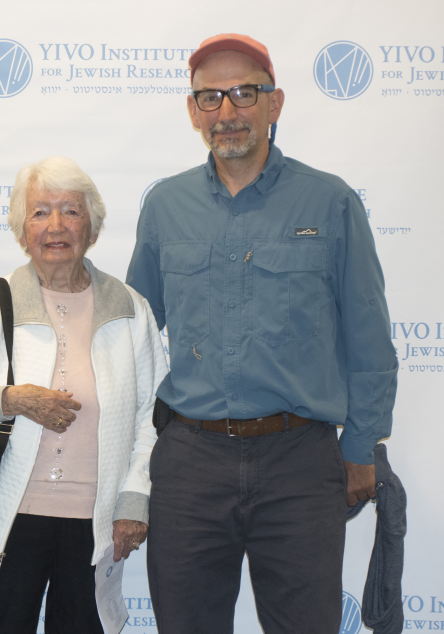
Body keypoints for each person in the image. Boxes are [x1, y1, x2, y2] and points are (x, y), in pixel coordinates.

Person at [125, 33, 398, 634]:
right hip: (190, 462)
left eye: (244, 93)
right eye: (210, 97)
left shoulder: (330, 202)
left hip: (300, 462)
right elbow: (132, 335)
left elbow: (369, 340)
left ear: (275, 103)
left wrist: (360, 448)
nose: (227, 111)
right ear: (193, 111)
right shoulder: (165, 206)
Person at [0, 156, 168, 634]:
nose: (56, 225)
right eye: (40, 212)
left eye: (71, 211)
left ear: (92, 228)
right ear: (22, 231)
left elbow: (153, 419)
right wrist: (10, 399)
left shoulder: (130, 309)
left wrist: (135, 500)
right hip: (6, 522)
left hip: (96, 525)